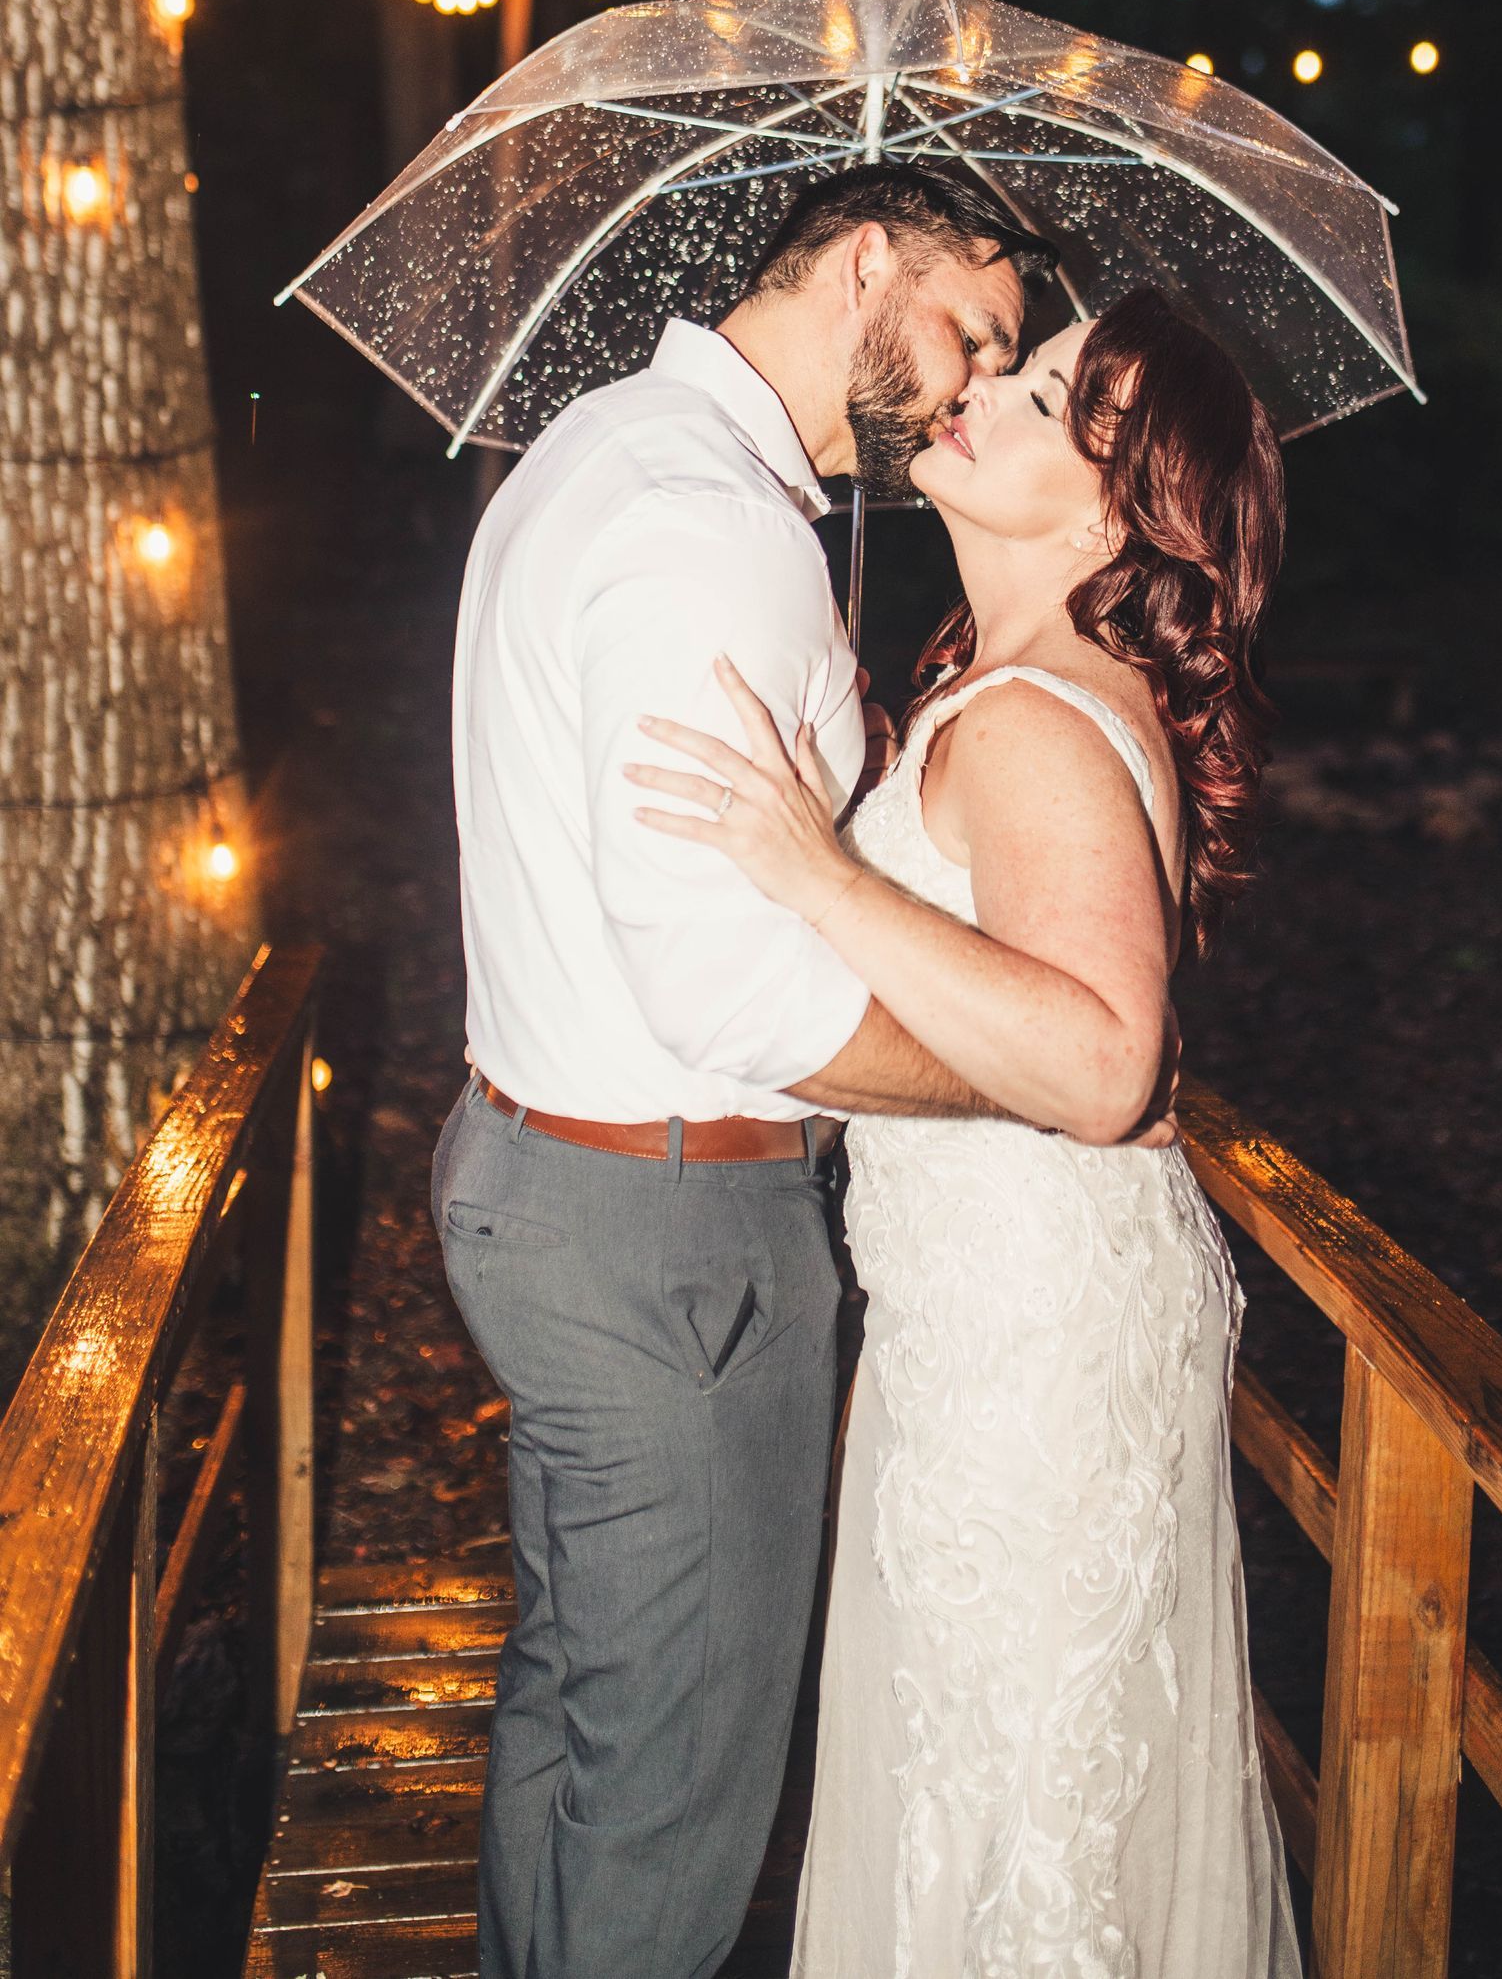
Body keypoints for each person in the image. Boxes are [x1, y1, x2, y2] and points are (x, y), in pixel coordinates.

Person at [627, 286, 1303, 1979]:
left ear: (1110, 502)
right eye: (1021, 356)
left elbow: (1102, 1066)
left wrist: (828, 872)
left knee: (1011, 1811)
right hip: (992, 1315)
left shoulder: (1031, 719)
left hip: (1036, 1342)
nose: (992, 380)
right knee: (984, 1791)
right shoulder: (1004, 685)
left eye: (1055, 387)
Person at [433, 163, 1055, 1979]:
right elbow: (730, 990)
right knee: (672, 1791)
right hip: (672, 1227)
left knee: (578, 1723)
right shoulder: (708, 524)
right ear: (868, 260)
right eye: (971, 331)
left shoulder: (609, 452)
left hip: (561, 1183)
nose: (966, 386)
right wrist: (1007, 1077)